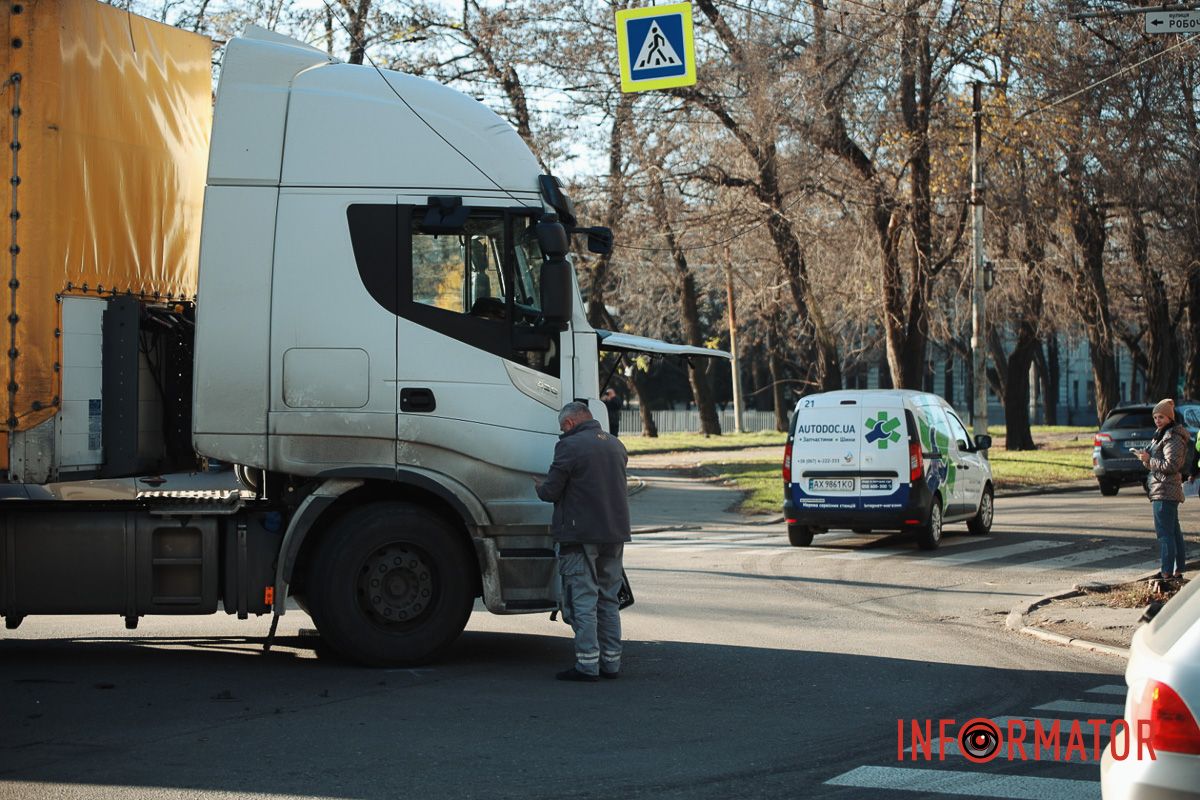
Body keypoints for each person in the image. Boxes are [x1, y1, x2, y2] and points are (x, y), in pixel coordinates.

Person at [534, 401, 631, 682]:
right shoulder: (615, 444)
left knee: (584, 601)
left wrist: (539, 487)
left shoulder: (570, 446)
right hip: (614, 533)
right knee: (608, 600)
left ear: (570, 423)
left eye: (562, 428)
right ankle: (611, 664)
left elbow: (552, 491)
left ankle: (587, 665)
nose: (561, 432)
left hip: (580, 535)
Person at [1135, 398, 1189, 582]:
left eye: (1161, 417)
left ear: (1169, 418)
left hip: (1165, 490)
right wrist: (1145, 458)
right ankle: (1177, 571)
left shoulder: (1172, 437)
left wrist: (1149, 460)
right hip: (1162, 488)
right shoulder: (1161, 434)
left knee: (1165, 533)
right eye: (1156, 417)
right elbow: (1156, 464)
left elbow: (1171, 465)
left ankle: (1167, 572)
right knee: (1173, 532)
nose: (1157, 420)